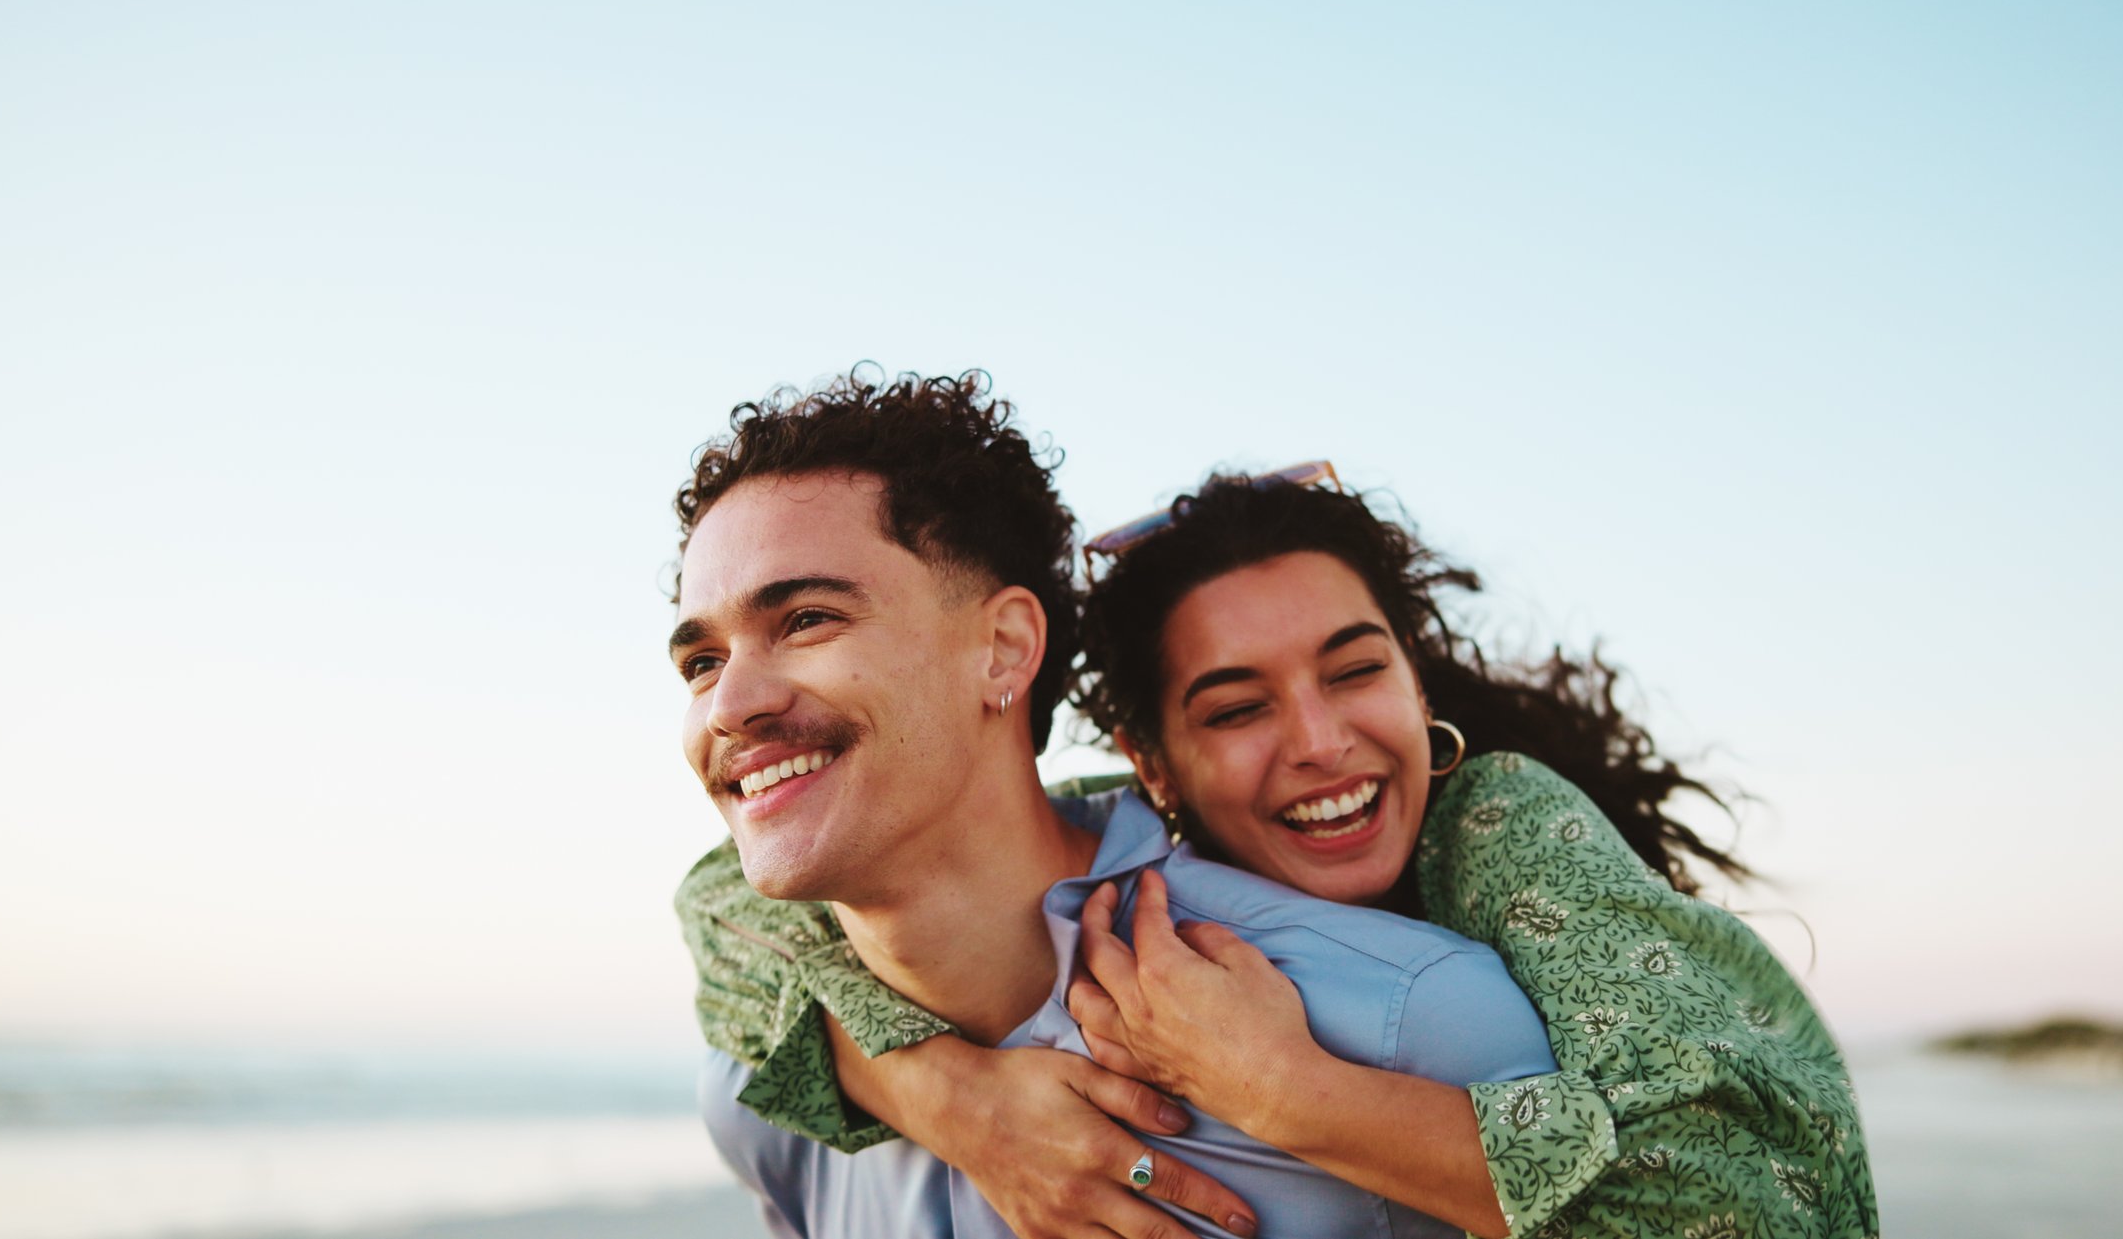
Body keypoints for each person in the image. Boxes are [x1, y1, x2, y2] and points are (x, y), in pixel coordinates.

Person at [681, 456, 1881, 1237]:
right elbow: (722, 899)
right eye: (1235, 706)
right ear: (1153, 767)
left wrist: (1286, 1089)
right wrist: (941, 1087)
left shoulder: (1503, 834)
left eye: (1357, 671)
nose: (1319, 741)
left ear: (1419, 687)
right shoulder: (1104, 854)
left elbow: (1730, 1203)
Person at [667, 368, 1562, 1239]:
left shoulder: (1409, 1018)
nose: (730, 705)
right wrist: (937, 1089)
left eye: (808, 619)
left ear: (1004, 648)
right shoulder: (759, 1097)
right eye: (701, 661)